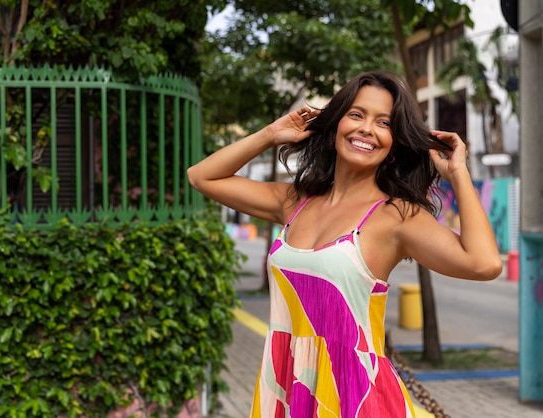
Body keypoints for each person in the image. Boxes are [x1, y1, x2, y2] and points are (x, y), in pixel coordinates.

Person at [187, 70, 502, 417]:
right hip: (287, 384)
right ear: (336, 124)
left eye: (383, 123)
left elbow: (484, 264)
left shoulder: (395, 216)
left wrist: (457, 173)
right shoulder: (296, 200)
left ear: (394, 143)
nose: (367, 128)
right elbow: (201, 176)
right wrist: (270, 134)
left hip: (357, 395)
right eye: (356, 114)